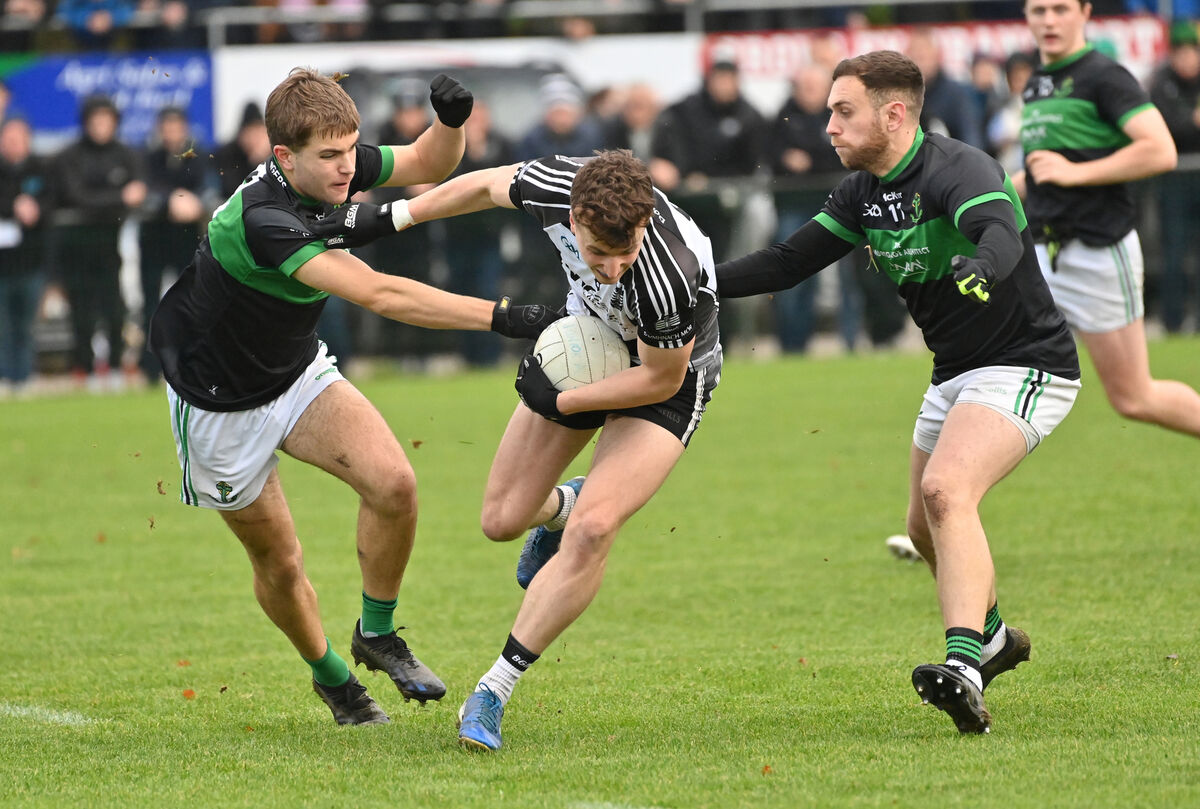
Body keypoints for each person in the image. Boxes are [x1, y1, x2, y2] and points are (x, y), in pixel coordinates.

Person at [148, 68, 560, 727]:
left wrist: (450, 125)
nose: (347, 168)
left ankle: (377, 632)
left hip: (294, 373)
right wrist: (505, 316)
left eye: (352, 151)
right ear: (284, 157)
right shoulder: (264, 220)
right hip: (219, 403)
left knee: (394, 483)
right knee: (281, 563)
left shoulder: (330, 157)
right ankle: (332, 677)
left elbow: (428, 161)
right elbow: (379, 293)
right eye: (331, 158)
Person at [715, 51, 1081, 734]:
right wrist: (698, 281)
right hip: (954, 372)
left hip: (1027, 362)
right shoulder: (861, 192)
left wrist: (982, 267)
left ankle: (966, 665)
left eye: (842, 111)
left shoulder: (957, 169)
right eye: (828, 110)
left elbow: (1000, 230)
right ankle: (994, 634)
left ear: (893, 113)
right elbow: (789, 262)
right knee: (922, 525)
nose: (828, 125)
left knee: (947, 491)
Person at [325, 149, 722, 750]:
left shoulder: (669, 275)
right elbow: (484, 186)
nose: (612, 269)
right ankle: (567, 506)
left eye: (626, 253)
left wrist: (561, 403)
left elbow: (659, 380)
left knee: (595, 530)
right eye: (596, 254)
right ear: (575, 217)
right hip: (588, 342)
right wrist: (399, 216)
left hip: (668, 381)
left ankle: (492, 691)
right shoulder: (555, 185)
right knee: (502, 520)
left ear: (644, 227)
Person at [1019, 0, 1200, 438]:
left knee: (1135, 397)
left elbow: (1160, 149)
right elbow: (1044, 172)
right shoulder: (1037, 83)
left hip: (1097, 252)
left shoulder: (1103, 76)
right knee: (991, 366)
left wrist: (1074, 173)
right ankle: (949, 490)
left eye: (1060, 9)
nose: (1049, 20)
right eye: (1038, 10)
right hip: (1045, 252)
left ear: (1085, 11)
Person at [53, 94, 146, 388]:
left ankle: (117, 366)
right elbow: (75, 196)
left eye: (106, 120)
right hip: (75, 249)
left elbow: (139, 192)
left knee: (114, 308)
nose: (101, 126)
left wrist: (107, 202)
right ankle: (83, 367)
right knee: (81, 312)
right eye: (95, 121)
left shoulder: (126, 154)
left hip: (111, 248)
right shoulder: (69, 156)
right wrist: (117, 198)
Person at [137, 106, 216, 383]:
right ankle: (150, 368)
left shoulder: (198, 156)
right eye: (166, 126)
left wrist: (192, 203)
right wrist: (172, 200)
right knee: (151, 305)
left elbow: (209, 190)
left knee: (191, 302)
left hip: (187, 241)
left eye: (176, 126)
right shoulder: (148, 157)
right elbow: (143, 190)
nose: (171, 133)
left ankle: (192, 364)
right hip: (153, 241)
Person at [1147, 20, 1200, 334]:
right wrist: (1191, 122)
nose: (1186, 58)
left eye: (1191, 50)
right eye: (1179, 51)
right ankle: (1173, 320)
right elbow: (1165, 128)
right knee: (1174, 251)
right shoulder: (1161, 82)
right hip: (1174, 181)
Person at [0, 116, 50, 396]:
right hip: (2, 265)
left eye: (18, 138)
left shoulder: (40, 169)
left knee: (25, 324)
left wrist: (35, 209)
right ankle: (5, 377)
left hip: (31, 260)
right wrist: (13, 206)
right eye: (8, 138)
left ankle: (24, 376)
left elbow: (51, 202)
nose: (13, 144)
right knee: (3, 325)